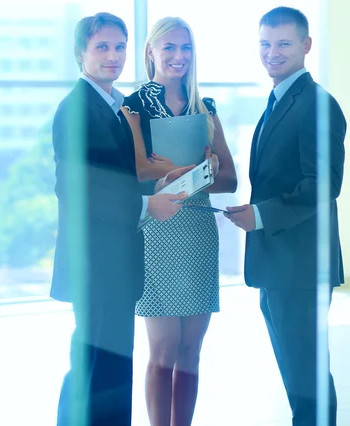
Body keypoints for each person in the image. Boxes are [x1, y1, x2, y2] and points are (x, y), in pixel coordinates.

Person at [50, 12, 192, 426]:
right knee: (96, 372)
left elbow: (114, 178)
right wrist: (147, 207)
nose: (113, 56)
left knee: (105, 370)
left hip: (113, 266)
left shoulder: (110, 106)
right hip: (95, 267)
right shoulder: (77, 108)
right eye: (102, 48)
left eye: (119, 47)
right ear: (81, 54)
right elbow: (75, 190)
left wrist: (160, 181)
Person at [225, 6, 345, 426]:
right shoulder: (279, 100)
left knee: (306, 375)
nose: (271, 53)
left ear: (306, 46)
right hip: (279, 263)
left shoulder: (317, 104)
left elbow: (323, 185)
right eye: (265, 44)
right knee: (298, 375)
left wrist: (260, 216)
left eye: (283, 44)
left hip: (300, 265)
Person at [120, 16, 237, 426]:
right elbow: (133, 175)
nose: (178, 56)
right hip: (156, 233)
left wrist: (178, 171)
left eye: (185, 48)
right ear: (151, 52)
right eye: (168, 48)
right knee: (164, 348)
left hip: (198, 233)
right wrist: (194, 169)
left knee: (191, 351)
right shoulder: (132, 106)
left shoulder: (204, 108)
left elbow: (228, 179)